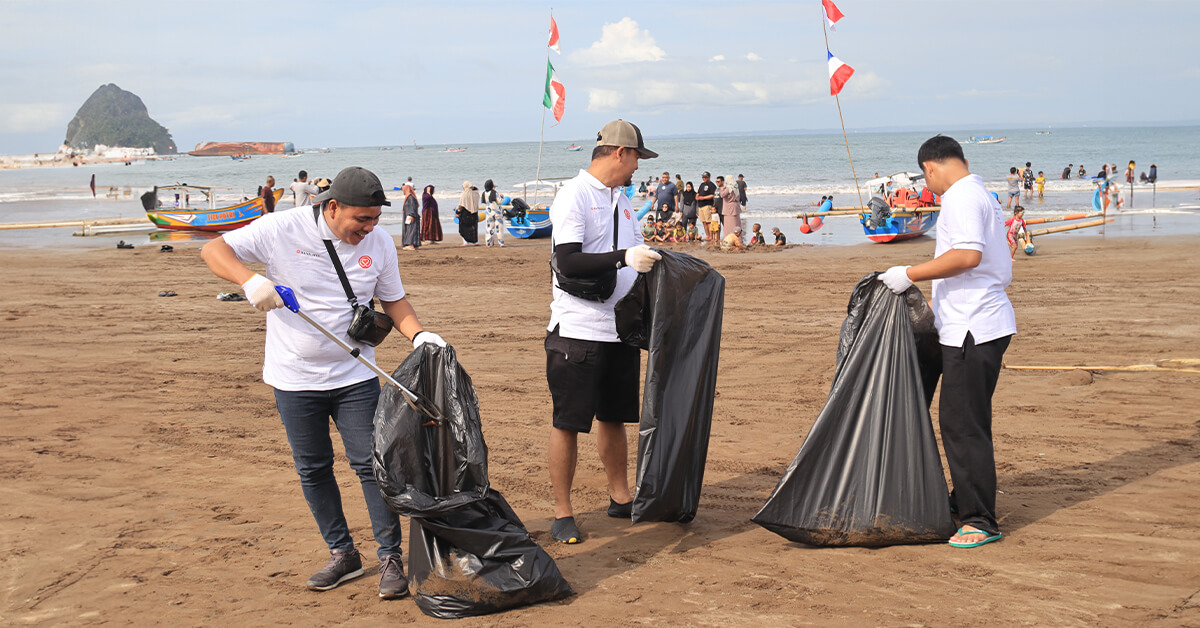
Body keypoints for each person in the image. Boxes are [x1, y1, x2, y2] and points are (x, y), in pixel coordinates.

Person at [199, 166, 447, 598]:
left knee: (372, 465)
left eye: (376, 219)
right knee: (313, 468)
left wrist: (419, 334)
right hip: (293, 377)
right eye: (362, 219)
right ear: (332, 207)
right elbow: (214, 249)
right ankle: (342, 553)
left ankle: (390, 556)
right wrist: (250, 280)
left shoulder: (379, 243)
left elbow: (393, 299)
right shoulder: (282, 228)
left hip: (356, 375)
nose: (369, 228)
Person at [878, 135, 1016, 549]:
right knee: (966, 419)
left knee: (962, 424)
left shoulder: (960, 197)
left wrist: (909, 273)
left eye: (926, 178)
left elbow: (968, 256)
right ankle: (964, 499)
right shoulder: (980, 193)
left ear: (930, 168)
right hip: (975, 323)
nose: (928, 186)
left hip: (975, 325)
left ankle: (980, 520)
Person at [545, 119, 662, 545]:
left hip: (619, 329)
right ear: (619, 153)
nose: (638, 167)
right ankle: (563, 512)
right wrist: (623, 257)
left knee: (614, 417)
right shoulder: (574, 195)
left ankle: (620, 496)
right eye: (636, 158)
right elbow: (567, 261)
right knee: (568, 422)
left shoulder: (622, 201)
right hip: (578, 329)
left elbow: (636, 253)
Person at [717, 175, 742, 241]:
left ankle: (729, 238)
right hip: (736, 206)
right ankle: (738, 238)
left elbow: (722, 195)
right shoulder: (736, 187)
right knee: (736, 223)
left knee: (729, 224)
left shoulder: (729, 188)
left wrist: (721, 189)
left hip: (729, 208)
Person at [456, 181, 480, 246]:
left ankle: (465, 242)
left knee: (464, 227)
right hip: (474, 212)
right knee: (474, 227)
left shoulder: (465, 193)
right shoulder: (476, 193)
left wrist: (458, 212)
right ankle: (475, 241)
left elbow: (461, 205)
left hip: (466, 212)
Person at [483, 179, 505, 247]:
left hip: (489, 213)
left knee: (489, 228)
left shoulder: (484, 193)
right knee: (499, 228)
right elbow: (499, 201)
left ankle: (488, 243)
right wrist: (502, 197)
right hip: (497, 213)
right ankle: (501, 243)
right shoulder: (495, 193)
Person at [696, 172, 716, 241]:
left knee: (708, 221)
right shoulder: (702, 184)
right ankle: (707, 235)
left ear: (708, 177)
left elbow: (713, 195)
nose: (704, 178)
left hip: (707, 205)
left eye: (705, 177)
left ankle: (711, 236)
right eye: (703, 177)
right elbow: (698, 192)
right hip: (700, 205)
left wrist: (704, 198)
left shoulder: (712, 185)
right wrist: (697, 196)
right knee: (703, 221)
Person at [401, 184, 420, 250]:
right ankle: (415, 244)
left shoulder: (410, 197)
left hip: (411, 216)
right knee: (411, 229)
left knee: (411, 229)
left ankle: (410, 244)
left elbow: (412, 206)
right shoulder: (408, 197)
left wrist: (411, 215)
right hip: (409, 216)